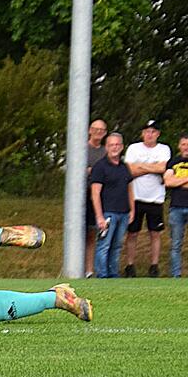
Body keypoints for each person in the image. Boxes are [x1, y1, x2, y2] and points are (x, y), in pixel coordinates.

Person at [123, 120, 171, 277]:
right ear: (142, 133)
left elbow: (163, 168)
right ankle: (130, 265)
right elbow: (129, 170)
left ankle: (154, 265)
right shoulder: (133, 148)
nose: (150, 134)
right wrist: (152, 168)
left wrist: (141, 167)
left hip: (156, 198)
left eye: (153, 131)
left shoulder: (164, 149)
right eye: (147, 131)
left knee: (155, 233)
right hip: (135, 197)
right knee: (132, 233)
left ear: (158, 134)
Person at [90, 132, 135, 278]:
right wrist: (99, 216)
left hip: (123, 213)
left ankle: (113, 274)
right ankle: (102, 275)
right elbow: (95, 193)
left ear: (121, 147)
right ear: (106, 147)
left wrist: (132, 210)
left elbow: (129, 189)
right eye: (111, 145)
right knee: (104, 246)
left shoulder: (124, 167)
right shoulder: (100, 167)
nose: (114, 147)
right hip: (108, 213)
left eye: (117, 145)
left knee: (117, 246)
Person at [84, 119, 108, 278]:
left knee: (93, 233)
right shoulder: (83, 149)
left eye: (102, 130)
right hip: (82, 195)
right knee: (80, 234)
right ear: (89, 130)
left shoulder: (106, 151)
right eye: (95, 129)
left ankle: (89, 270)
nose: (98, 132)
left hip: (100, 195)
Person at [164, 133, 188, 278]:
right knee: (175, 245)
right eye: (184, 144)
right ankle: (175, 276)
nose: (186, 147)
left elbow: (173, 181)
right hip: (176, 207)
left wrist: (178, 180)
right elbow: (168, 182)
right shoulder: (172, 162)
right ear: (179, 146)